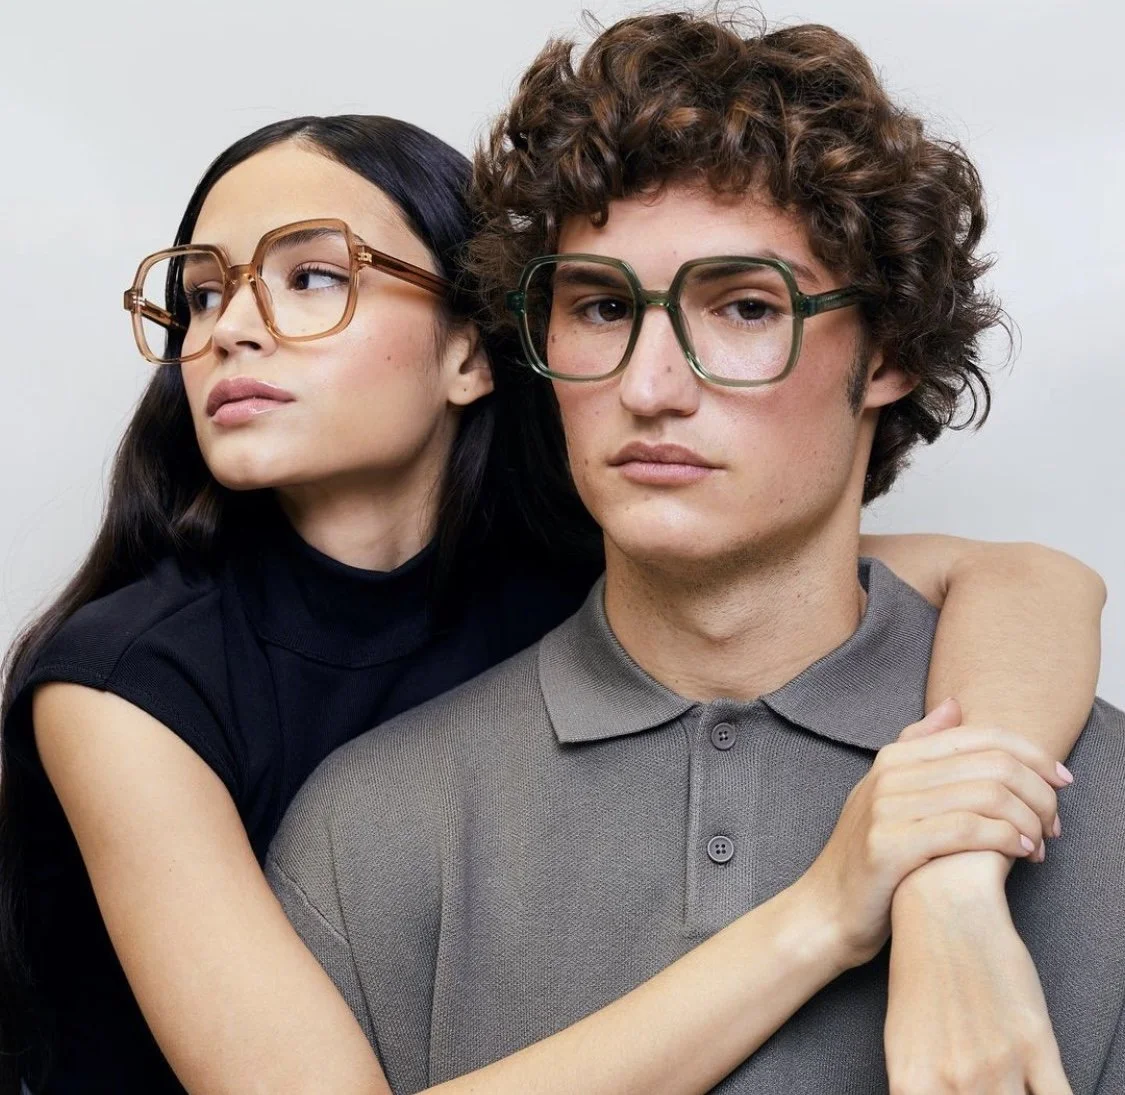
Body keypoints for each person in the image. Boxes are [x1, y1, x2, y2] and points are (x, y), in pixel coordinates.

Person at [0, 109, 1103, 1095]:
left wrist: (951, 866)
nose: (228, 330)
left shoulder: (608, 558)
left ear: (476, 353)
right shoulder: (126, 682)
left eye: (313, 276)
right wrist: (826, 912)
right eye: (201, 292)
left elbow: (1026, 579)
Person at [265, 14, 1124, 1095]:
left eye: (746, 307)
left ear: (889, 351)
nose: (650, 386)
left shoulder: (1100, 793)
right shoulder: (371, 832)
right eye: (603, 307)